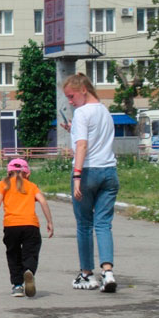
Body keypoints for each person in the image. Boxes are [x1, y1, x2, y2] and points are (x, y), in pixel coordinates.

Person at [61, 73, 119, 293]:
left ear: (84, 89)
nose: (69, 100)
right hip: (109, 172)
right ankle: (108, 272)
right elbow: (95, 138)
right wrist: (73, 130)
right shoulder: (104, 111)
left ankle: (86, 274)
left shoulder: (82, 113)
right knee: (103, 224)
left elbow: (83, 146)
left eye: (71, 95)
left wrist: (77, 177)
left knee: (84, 224)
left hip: (87, 172)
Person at [0, 159, 54, 297]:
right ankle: (28, 271)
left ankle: (17, 286)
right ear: (27, 173)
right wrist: (49, 222)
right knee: (31, 251)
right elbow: (43, 201)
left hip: (11, 226)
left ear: (9, 173)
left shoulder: (3, 184)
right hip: (31, 225)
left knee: (13, 254)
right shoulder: (31, 185)